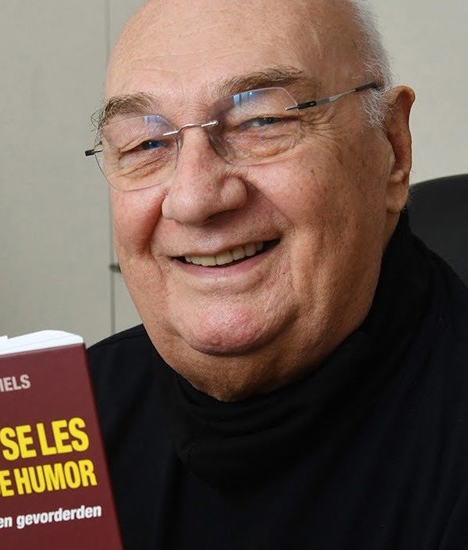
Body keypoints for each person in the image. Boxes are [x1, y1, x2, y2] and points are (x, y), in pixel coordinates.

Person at [85, 0, 468, 548]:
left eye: (261, 120)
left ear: (392, 147)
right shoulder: (56, 429)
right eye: (146, 143)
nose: (193, 199)